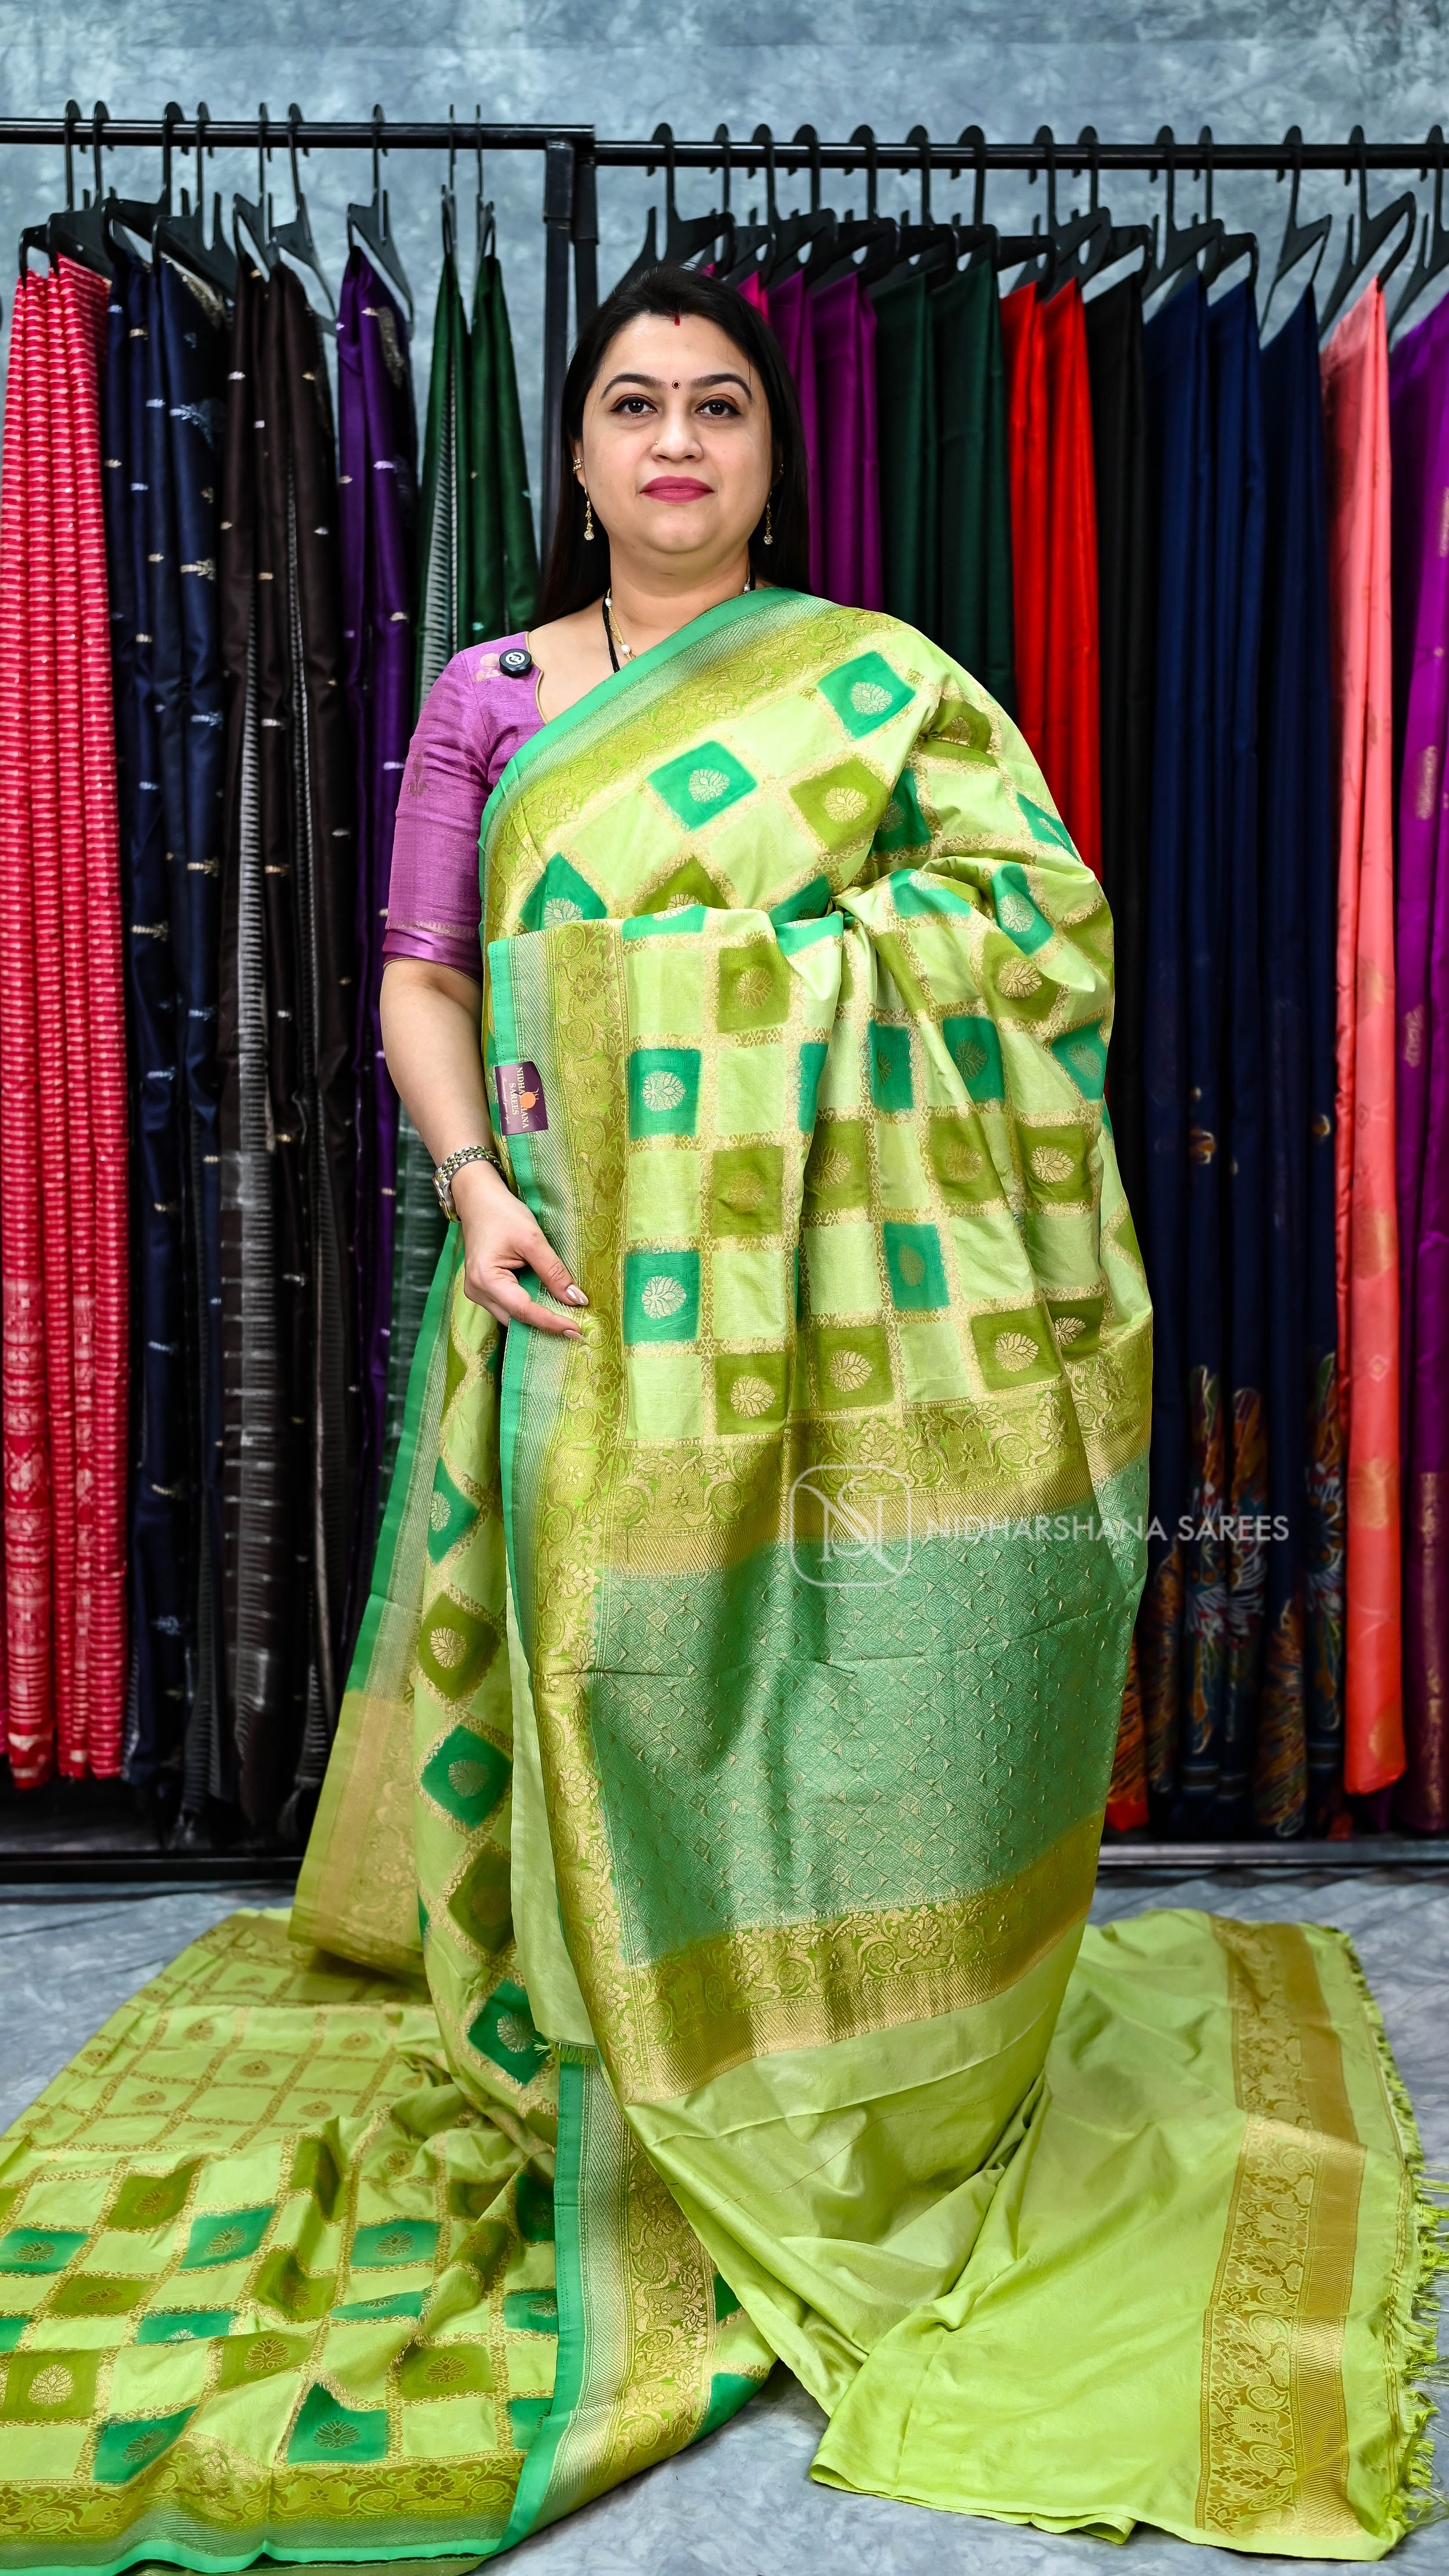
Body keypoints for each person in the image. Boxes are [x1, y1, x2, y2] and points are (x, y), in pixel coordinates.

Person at [0, 268, 1426, 2574]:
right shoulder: (489, 698)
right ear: (575, 456)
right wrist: (472, 1187)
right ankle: (620, 2065)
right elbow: (422, 974)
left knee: (844, 1676)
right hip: (571, 1278)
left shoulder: (877, 686)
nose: (676, 440)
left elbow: (1034, 935)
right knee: (611, 1674)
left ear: (772, 453)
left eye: (721, 405)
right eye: (635, 405)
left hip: (851, 1306)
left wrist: (687, 999)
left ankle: (865, 2059)